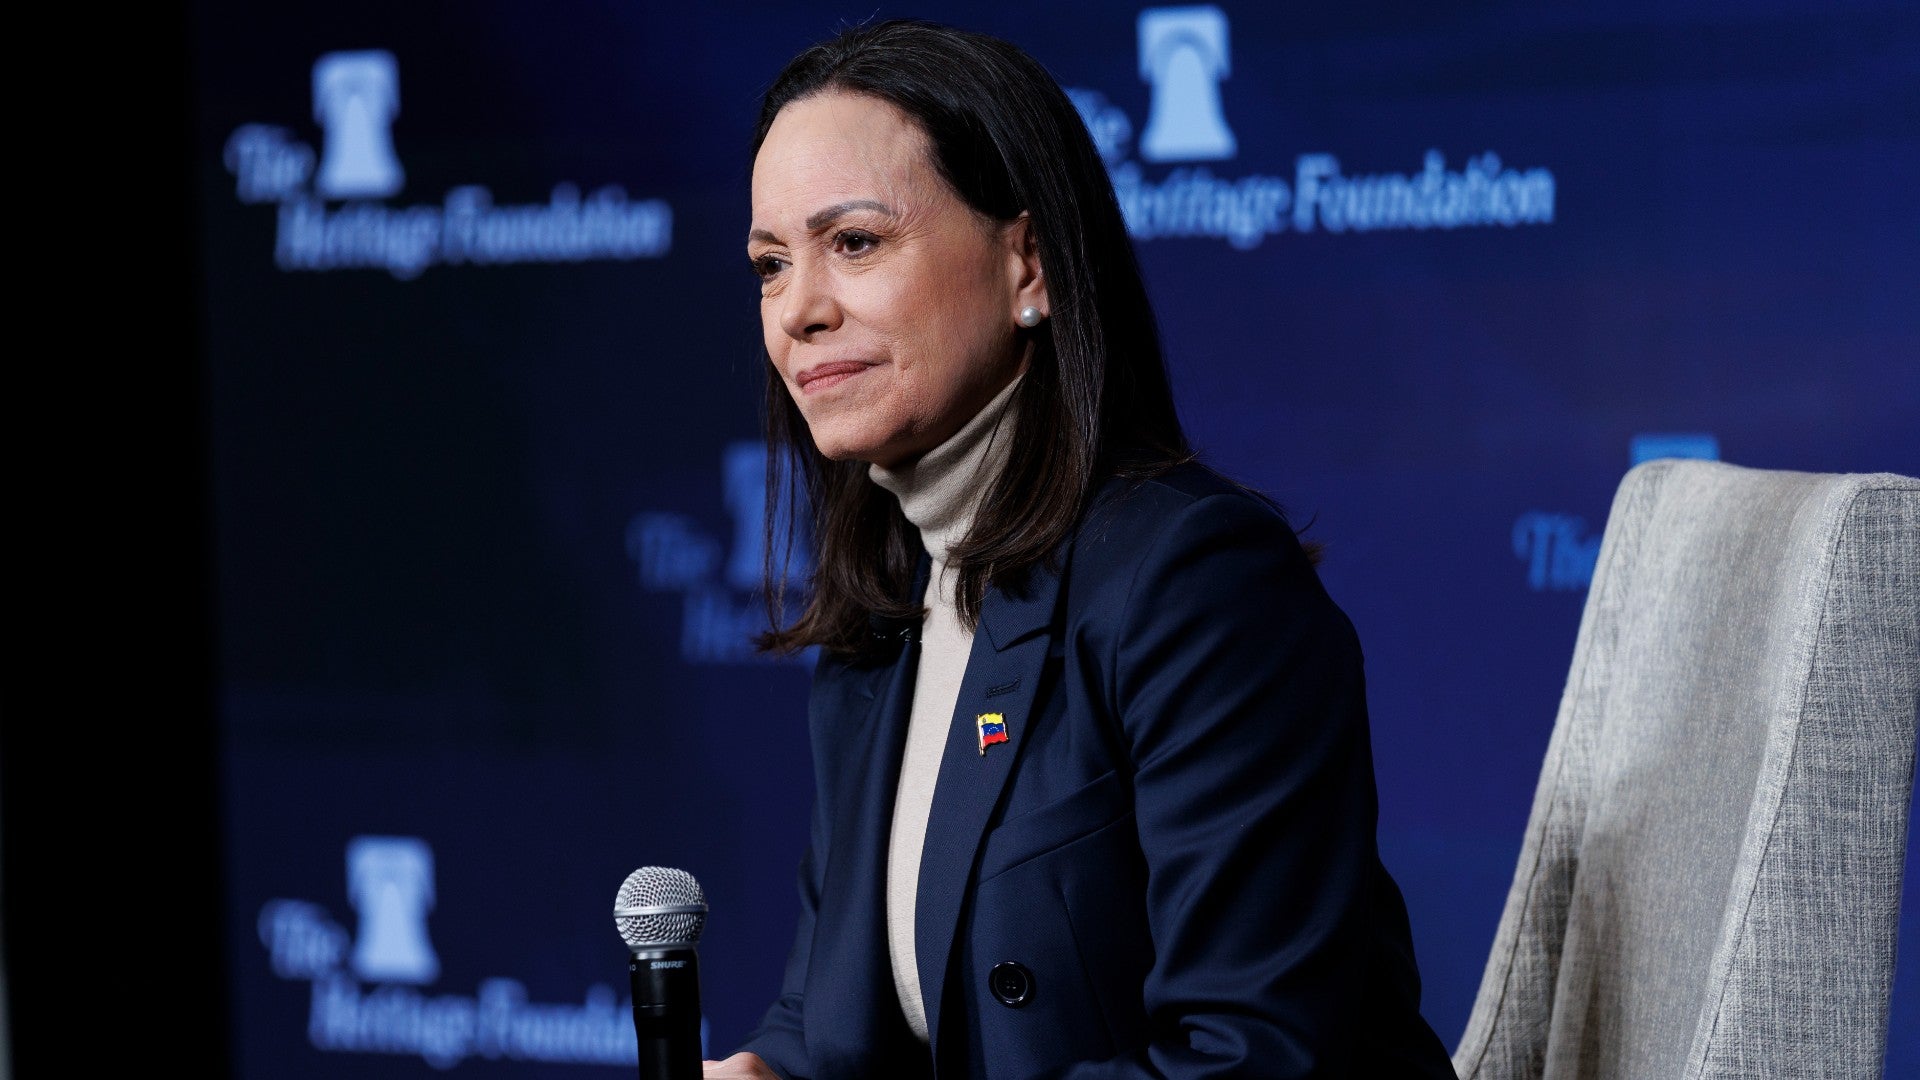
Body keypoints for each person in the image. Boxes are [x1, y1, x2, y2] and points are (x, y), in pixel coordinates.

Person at [708, 19, 1458, 1080]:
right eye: (770, 265)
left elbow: (1253, 1056)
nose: (800, 311)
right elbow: (838, 1009)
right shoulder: (884, 625)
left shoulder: (1194, 582)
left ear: (1030, 266)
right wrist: (764, 1073)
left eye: (857, 243)